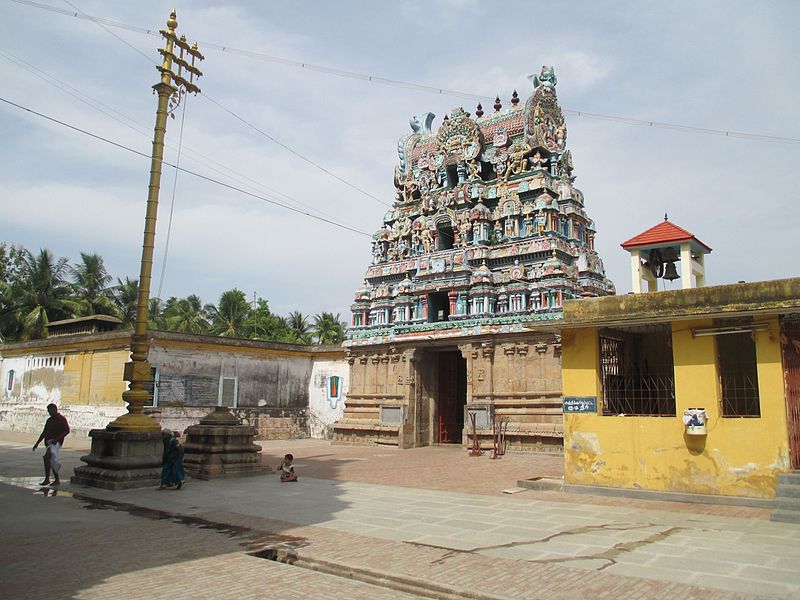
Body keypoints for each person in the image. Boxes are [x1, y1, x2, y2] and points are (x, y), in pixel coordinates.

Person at [32, 403, 70, 487]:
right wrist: (37, 443)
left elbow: (67, 430)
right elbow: (44, 432)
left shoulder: (62, 419)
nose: (49, 413)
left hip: (56, 442)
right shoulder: (49, 420)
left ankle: (47, 479)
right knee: (51, 459)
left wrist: (57, 439)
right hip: (49, 442)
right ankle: (55, 479)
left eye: (50, 411)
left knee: (47, 456)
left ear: (55, 410)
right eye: (48, 411)